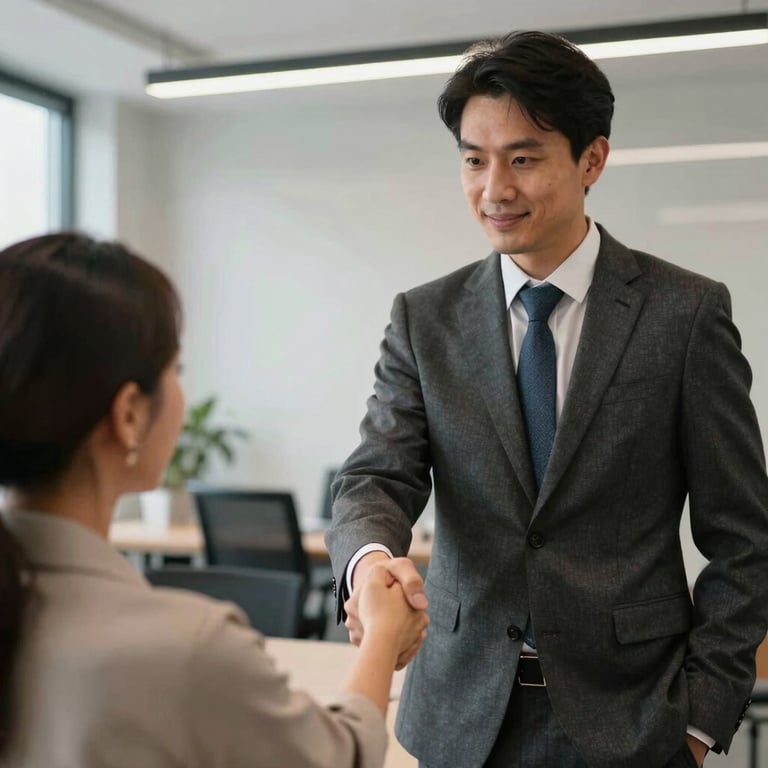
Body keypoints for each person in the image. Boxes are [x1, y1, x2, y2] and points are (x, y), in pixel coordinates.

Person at [325, 30, 768, 768]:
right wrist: (372, 562)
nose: (494, 190)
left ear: (592, 158)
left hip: (633, 721)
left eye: (523, 159)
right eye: (474, 160)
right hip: (459, 719)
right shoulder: (424, 319)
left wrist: (697, 723)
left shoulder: (683, 314)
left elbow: (745, 539)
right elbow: (376, 476)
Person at [0, 232, 428, 768]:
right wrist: (384, 634)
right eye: (174, 371)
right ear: (130, 413)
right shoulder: (184, 650)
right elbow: (340, 756)